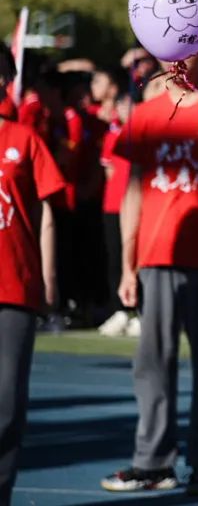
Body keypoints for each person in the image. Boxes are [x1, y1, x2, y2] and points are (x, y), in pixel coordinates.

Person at [100, 53, 198, 496]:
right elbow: (132, 191)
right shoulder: (147, 115)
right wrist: (128, 265)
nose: (181, 58)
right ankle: (153, 463)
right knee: (152, 365)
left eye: (192, 47)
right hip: (156, 255)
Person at [0, 42, 66, 506]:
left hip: (15, 286)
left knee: (6, 405)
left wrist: (48, 277)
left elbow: (44, 215)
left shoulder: (26, 140)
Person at [97, 92, 137, 338]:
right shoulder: (113, 134)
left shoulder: (142, 134)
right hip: (113, 206)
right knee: (114, 258)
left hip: (135, 206)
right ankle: (119, 310)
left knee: (136, 258)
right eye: (121, 105)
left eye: (128, 105)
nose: (123, 109)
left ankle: (139, 311)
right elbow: (109, 171)